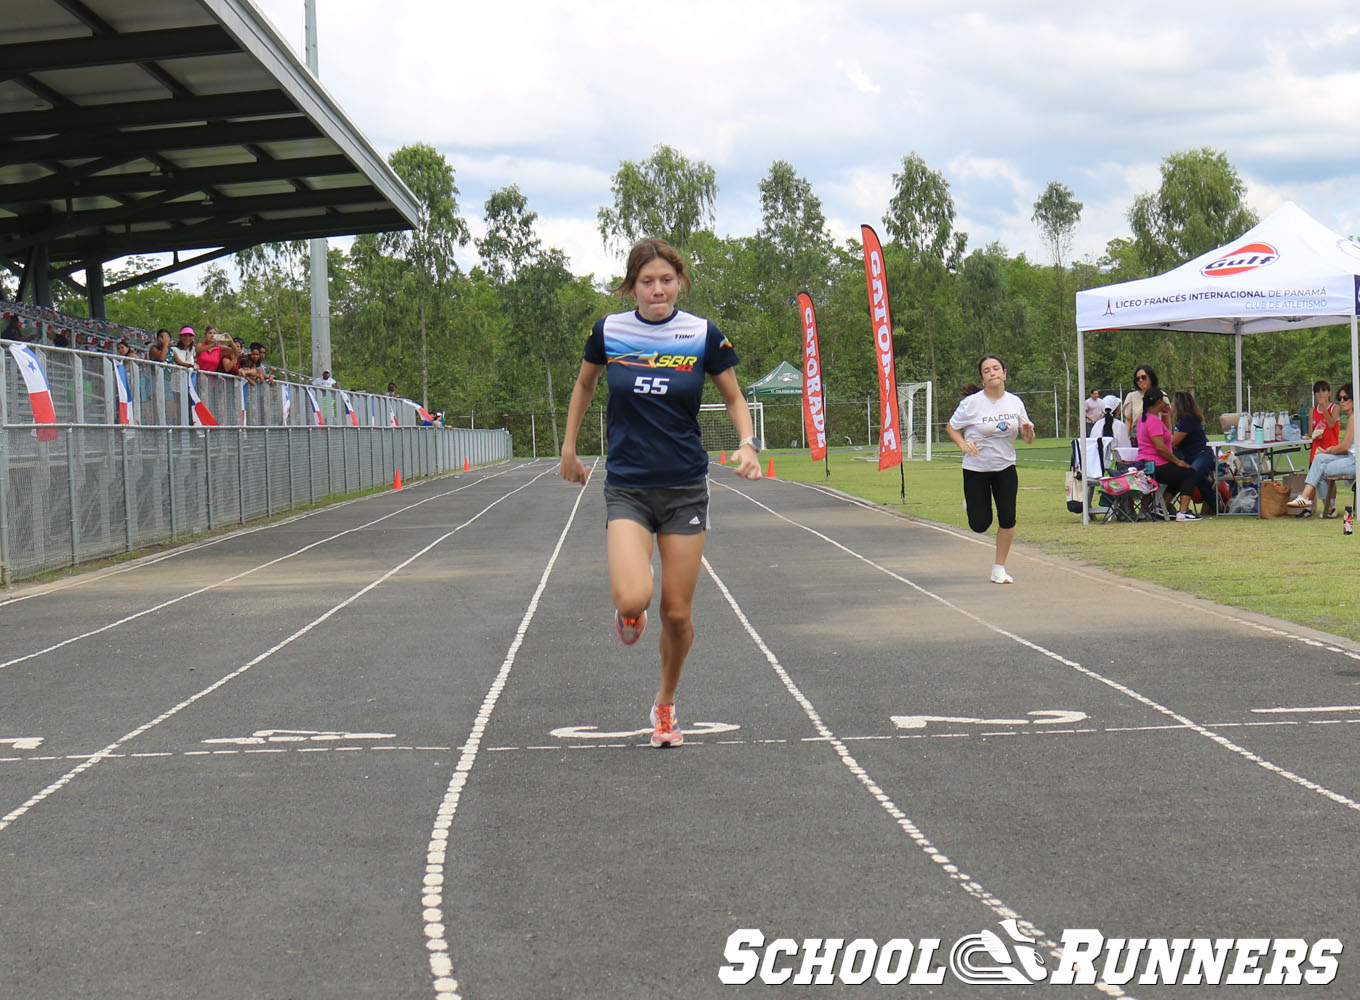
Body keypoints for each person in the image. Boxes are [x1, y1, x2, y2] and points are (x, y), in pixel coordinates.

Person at [559, 237, 761, 748]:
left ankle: (666, 704)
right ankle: (632, 609)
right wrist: (569, 450)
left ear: (680, 282)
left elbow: (734, 397)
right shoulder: (609, 331)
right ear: (632, 286)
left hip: (685, 487)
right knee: (634, 598)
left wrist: (748, 444)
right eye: (647, 281)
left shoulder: (702, 335)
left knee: (677, 612)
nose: (657, 290)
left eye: (666, 280)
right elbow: (584, 386)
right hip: (627, 485)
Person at [946, 354, 1036, 583]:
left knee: (1008, 518)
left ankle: (999, 568)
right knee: (980, 524)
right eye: (987, 371)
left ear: (1004, 373)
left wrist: (1028, 433)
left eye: (996, 368)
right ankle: (971, 504)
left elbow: (1027, 437)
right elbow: (952, 428)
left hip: (1005, 466)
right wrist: (963, 444)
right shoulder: (972, 403)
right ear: (982, 378)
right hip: (976, 469)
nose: (992, 373)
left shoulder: (1015, 402)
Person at [1136, 387, 1206, 521]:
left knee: (1178, 476)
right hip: (1157, 465)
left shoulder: (1144, 419)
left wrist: (1166, 415)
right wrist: (1177, 461)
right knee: (1190, 473)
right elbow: (1160, 447)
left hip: (1148, 464)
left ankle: (1161, 507)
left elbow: (1166, 433)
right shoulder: (1153, 421)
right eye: (1163, 402)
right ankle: (1183, 512)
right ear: (1157, 403)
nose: (1165, 404)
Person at [1287, 382, 1354, 517]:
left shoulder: (1353, 417)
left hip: (1352, 460)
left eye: (1345, 398)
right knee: (1319, 460)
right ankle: (1308, 499)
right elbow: (1312, 433)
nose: (1342, 401)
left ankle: (1326, 506)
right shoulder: (1314, 411)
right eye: (1339, 398)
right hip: (1344, 455)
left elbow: (1345, 446)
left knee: (1321, 469)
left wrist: (1328, 450)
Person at [1171, 390, 1216, 516]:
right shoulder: (1182, 420)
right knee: (1186, 474)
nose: (1171, 404)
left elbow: (1174, 442)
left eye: (1173, 401)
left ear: (1179, 404)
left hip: (1202, 454)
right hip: (1191, 457)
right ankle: (1215, 503)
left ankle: (1214, 503)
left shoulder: (1188, 419)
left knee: (1194, 472)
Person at [1085, 394, 1131, 478]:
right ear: (1117, 409)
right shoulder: (1120, 426)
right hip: (1115, 467)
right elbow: (1125, 450)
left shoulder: (1097, 425)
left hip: (1097, 466)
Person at [1124, 364, 1162, 444]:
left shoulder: (1161, 396)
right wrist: (1125, 440)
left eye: (1143, 377)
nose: (1141, 380)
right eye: (1138, 379)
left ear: (1151, 377)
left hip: (1157, 436)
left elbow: (1166, 420)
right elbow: (1128, 420)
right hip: (1137, 437)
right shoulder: (1131, 397)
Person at [1308, 379, 1340, 464]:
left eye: (1323, 390)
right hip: (1316, 452)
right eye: (1317, 391)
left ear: (1329, 393)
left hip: (1331, 452)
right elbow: (1310, 432)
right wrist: (1315, 435)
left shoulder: (1334, 408)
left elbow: (1331, 425)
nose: (1320, 393)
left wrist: (1323, 407)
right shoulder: (1312, 411)